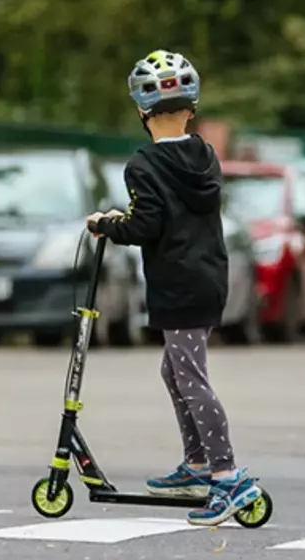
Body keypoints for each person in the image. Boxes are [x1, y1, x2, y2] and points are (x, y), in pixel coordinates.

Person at [86, 49, 262, 527]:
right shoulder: (204, 155)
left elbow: (146, 225)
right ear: (192, 108)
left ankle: (228, 477)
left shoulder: (143, 165)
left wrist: (107, 225)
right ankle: (197, 464)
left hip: (177, 284)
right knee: (175, 370)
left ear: (143, 112)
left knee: (191, 377)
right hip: (208, 279)